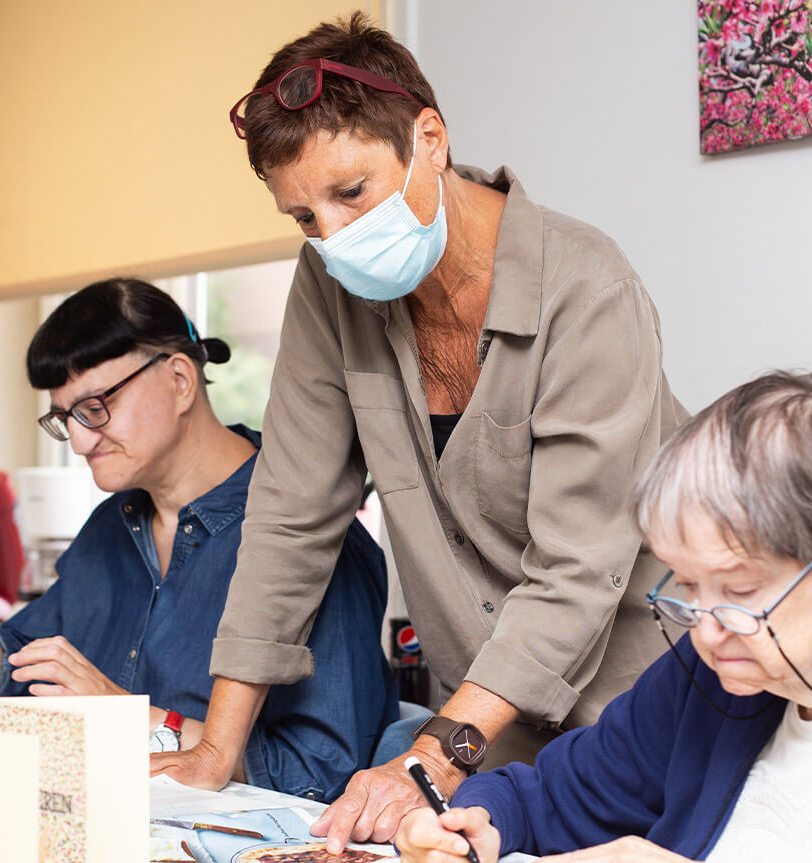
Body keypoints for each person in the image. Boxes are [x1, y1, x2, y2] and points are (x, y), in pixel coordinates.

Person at [149, 12, 689, 850]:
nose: (332, 238)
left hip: (640, 706)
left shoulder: (586, 289)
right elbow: (291, 515)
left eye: (351, 192)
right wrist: (216, 747)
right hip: (484, 727)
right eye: (303, 217)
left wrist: (435, 754)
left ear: (427, 138)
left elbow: (577, 573)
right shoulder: (330, 286)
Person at [394, 370, 812, 863]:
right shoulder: (718, 662)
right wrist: (473, 825)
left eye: (742, 589)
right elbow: (553, 792)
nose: (706, 627)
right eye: (689, 586)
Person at [0, 277, 397, 803]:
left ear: (180, 380)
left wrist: (133, 719)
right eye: (67, 419)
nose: (81, 442)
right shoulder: (113, 524)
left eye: (94, 407)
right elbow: (27, 676)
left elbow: (325, 771)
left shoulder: (307, 534)